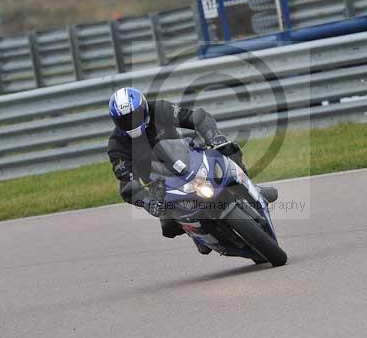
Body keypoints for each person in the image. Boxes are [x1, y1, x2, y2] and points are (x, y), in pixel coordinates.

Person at [106, 87, 277, 253]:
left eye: (135, 116)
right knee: (169, 226)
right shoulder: (116, 145)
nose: (132, 122)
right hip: (161, 186)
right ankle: (197, 235)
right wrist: (148, 202)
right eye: (125, 120)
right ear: (116, 121)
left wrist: (214, 136)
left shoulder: (160, 108)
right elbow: (126, 183)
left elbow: (197, 118)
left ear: (144, 108)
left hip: (188, 159)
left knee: (228, 149)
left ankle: (250, 186)